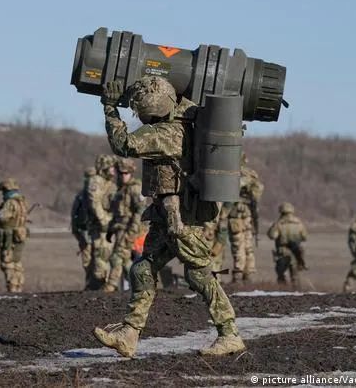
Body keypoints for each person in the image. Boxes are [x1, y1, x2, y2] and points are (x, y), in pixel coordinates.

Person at [92, 75, 245, 357]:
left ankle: (229, 333)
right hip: (167, 213)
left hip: (182, 217)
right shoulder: (183, 122)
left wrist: (110, 107)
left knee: (198, 275)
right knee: (142, 269)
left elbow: (124, 144)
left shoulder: (165, 133)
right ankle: (129, 333)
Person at [104, 158, 144, 292]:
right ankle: (138, 286)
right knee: (126, 261)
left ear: (131, 173)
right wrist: (110, 230)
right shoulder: (120, 189)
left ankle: (111, 286)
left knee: (116, 257)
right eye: (120, 173)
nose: (123, 176)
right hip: (120, 230)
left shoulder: (135, 188)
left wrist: (132, 233)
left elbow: (139, 212)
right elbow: (117, 213)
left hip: (130, 231)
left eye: (126, 173)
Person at [227, 155, 263, 283]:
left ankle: (238, 274)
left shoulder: (230, 173)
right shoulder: (251, 174)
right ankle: (248, 274)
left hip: (235, 215)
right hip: (247, 215)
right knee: (248, 246)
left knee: (238, 245)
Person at [86, 154, 117, 290]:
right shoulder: (96, 181)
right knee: (101, 256)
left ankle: (103, 286)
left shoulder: (109, 182)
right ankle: (98, 287)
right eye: (111, 167)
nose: (114, 170)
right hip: (100, 227)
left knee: (108, 256)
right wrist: (103, 220)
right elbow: (95, 202)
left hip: (109, 225)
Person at [0, 178, 29, 292]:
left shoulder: (10, 203)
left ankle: (12, 287)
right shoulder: (22, 201)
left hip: (9, 237)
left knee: (8, 262)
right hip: (20, 235)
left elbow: (2, 216)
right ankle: (19, 286)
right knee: (17, 262)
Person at [267, 202, 308, 286]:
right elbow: (304, 237)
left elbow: (272, 236)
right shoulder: (299, 223)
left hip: (283, 251)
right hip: (295, 251)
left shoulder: (279, 223)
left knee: (281, 274)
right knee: (295, 276)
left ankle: (283, 293)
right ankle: (297, 294)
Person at [70, 167, 95, 288]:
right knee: (87, 262)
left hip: (96, 232)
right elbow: (74, 215)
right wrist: (77, 232)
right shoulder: (80, 196)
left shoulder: (100, 194)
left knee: (99, 262)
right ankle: (90, 285)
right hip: (84, 232)